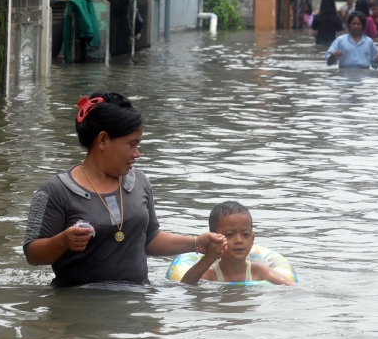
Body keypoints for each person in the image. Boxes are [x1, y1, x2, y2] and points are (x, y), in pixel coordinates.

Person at [22, 91, 226, 287]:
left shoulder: (139, 182)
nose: (137, 154)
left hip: (136, 306)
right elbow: (33, 254)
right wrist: (63, 241)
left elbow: (149, 238)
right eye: (132, 144)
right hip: (80, 309)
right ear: (102, 140)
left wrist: (197, 242)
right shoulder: (56, 191)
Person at [180, 201, 295, 285]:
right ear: (213, 238)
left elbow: (291, 286)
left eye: (245, 235)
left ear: (252, 239)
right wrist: (209, 258)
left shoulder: (259, 271)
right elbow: (185, 285)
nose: (239, 240)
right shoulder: (212, 274)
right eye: (230, 234)